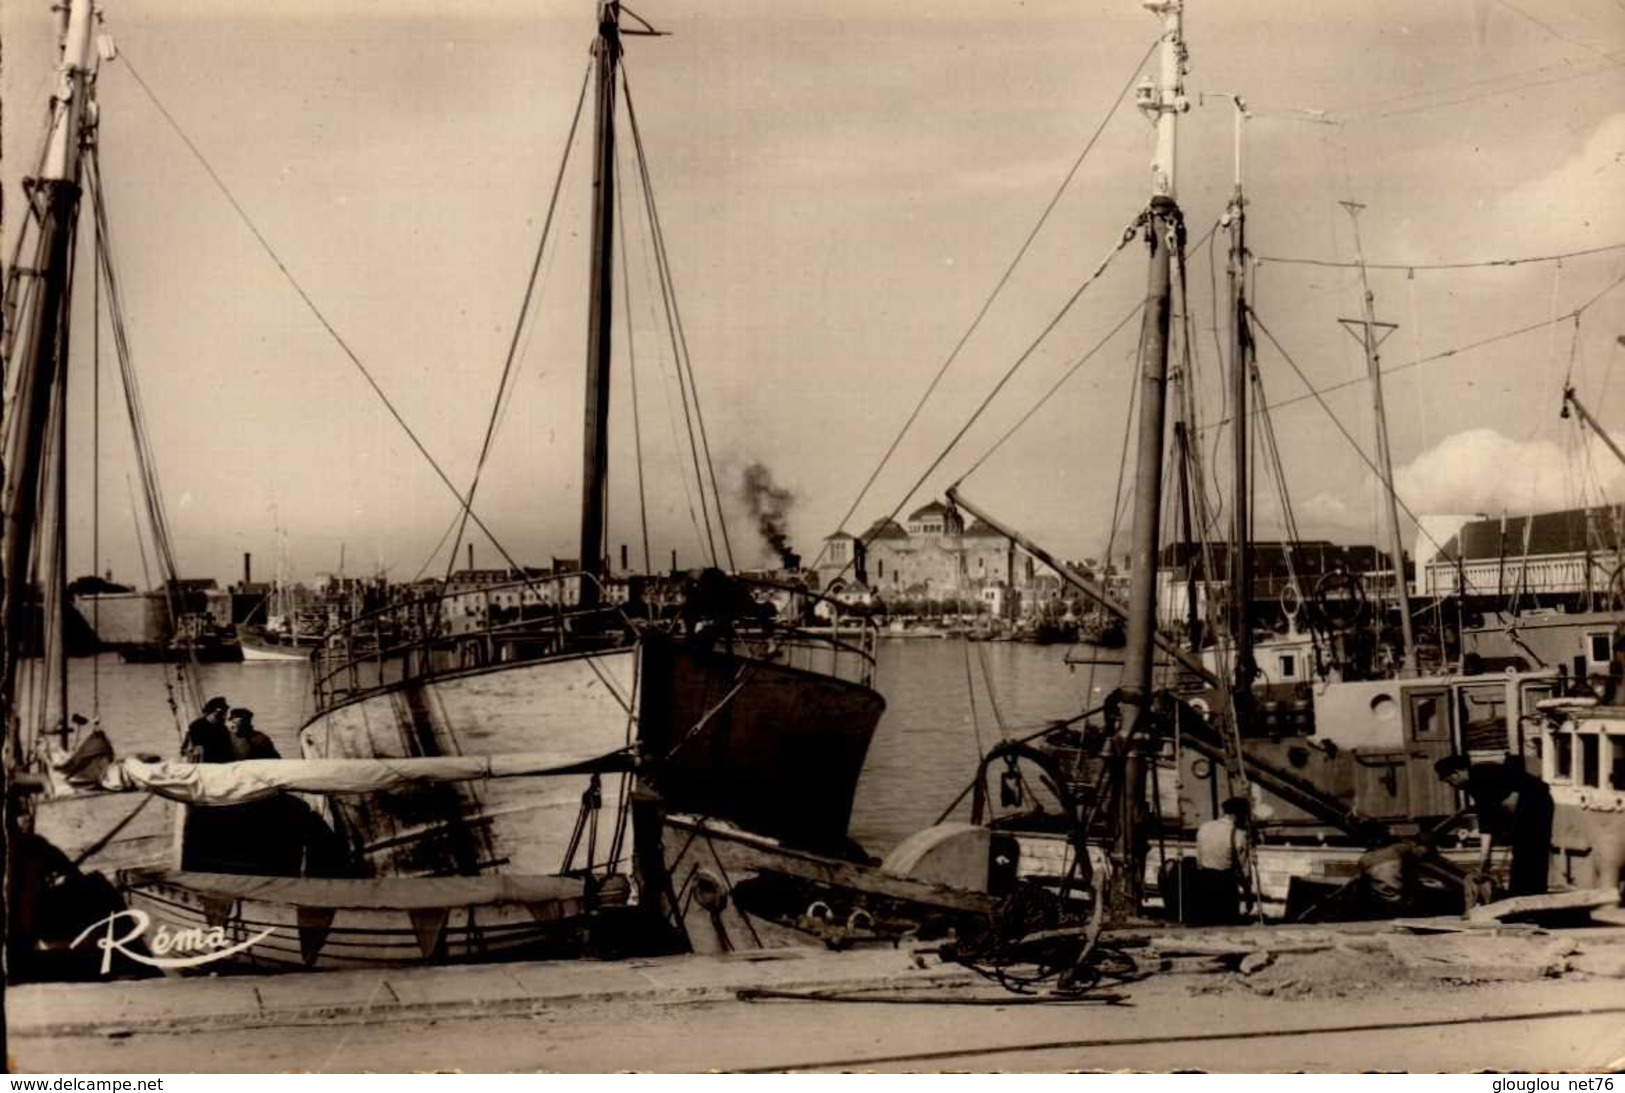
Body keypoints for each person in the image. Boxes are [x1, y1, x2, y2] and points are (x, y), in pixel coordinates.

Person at [1435, 753, 1554, 897]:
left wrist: (1515, 793)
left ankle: (1533, 895)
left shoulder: (1482, 774)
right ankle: (1521, 893)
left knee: (1533, 849)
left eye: (1449, 781)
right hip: (1526, 807)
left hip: (1537, 803)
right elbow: (1487, 821)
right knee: (1521, 850)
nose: (1452, 786)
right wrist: (1485, 860)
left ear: (1456, 773)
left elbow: (1514, 763)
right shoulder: (1474, 784)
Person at [1193, 796, 1252, 925]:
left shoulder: (1204, 827)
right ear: (1238, 814)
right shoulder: (1238, 835)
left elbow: (1198, 859)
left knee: (1205, 927)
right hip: (1225, 887)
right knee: (1226, 927)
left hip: (1203, 884)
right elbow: (1243, 870)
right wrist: (1248, 894)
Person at [182, 696, 233, 763]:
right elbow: (192, 750)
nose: (224, 717)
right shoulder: (196, 726)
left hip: (222, 766)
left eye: (224, 713)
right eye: (221, 713)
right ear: (212, 712)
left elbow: (228, 751)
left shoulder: (223, 729)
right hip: (204, 766)